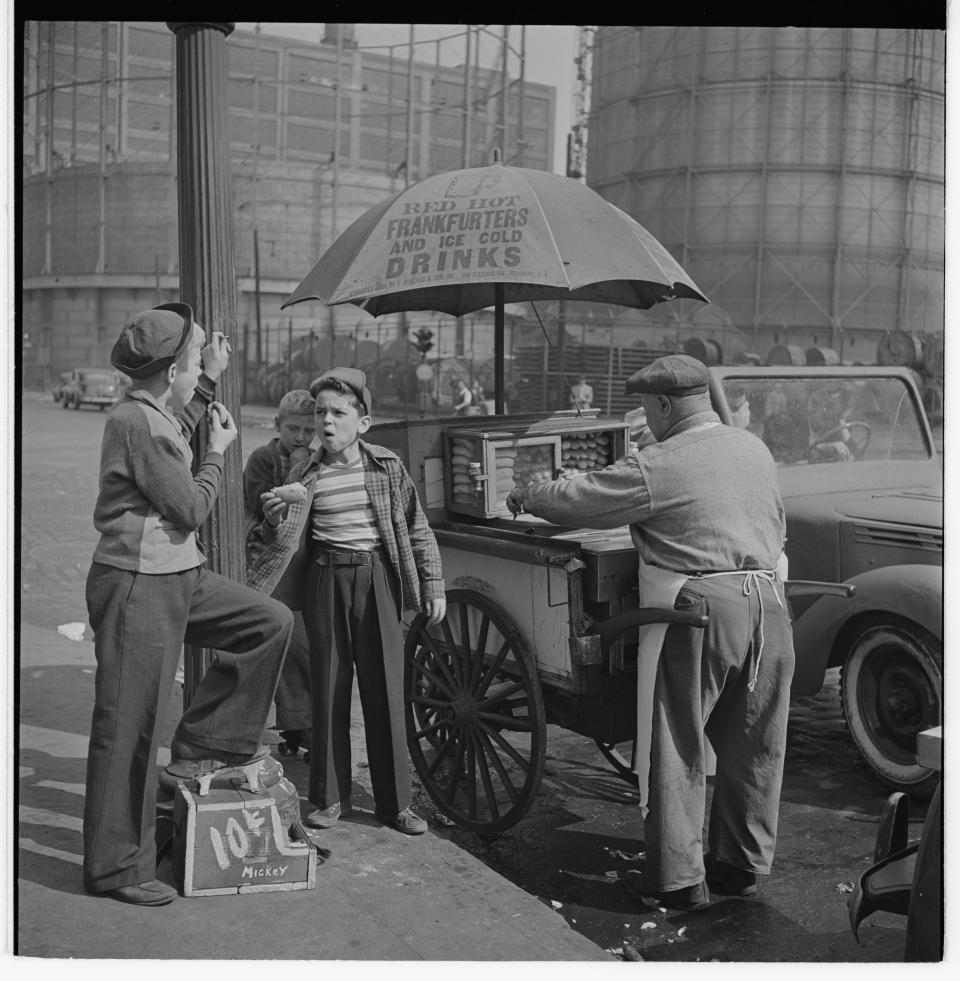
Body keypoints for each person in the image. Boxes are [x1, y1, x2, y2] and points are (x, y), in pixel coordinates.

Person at [507, 354, 793, 913]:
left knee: (676, 742)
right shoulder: (752, 448)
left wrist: (531, 492)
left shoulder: (660, 463)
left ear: (663, 405)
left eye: (646, 409)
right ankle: (739, 866)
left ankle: (677, 880)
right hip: (771, 607)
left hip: (704, 612)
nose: (647, 421)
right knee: (756, 743)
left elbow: (577, 502)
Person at [83, 304, 294, 907]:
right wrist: (217, 452)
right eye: (196, 359)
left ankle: (205, 746)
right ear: (171, 369)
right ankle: (116, 869)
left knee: (267, 622)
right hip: (136, 583)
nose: (202, 366)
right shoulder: (139, 424)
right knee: (128, 727)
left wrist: (208, 379)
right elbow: (191, 508)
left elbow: (181, 409)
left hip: (178, 574)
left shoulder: (153, 409)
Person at [247, 367, 446, 836]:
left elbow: (417, 528)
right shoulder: (303, 472)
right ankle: (329, 797)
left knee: (385, 694)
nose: (326, 422)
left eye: (339, 412)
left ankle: (396, 804)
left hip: (377, 578)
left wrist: (433, 584)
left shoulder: (386, 467)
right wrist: (274, 519)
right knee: (329, 689)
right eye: (320, 413)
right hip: (324, 582)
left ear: (364, 422)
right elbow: (272, 537)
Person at [243, 389, 316, 756]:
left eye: (308, 430)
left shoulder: (317, 459)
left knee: (303, 650)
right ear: (277, 425)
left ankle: (299, 723)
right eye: (293, 430)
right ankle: (294, 725)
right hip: (273, 569)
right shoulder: (262, 459)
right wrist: (294, 471)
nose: (301, 438)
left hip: (305, 567)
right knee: (284, 648)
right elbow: (260, 507)